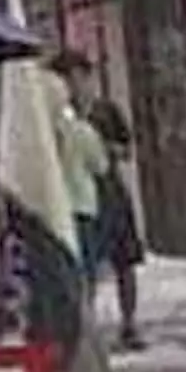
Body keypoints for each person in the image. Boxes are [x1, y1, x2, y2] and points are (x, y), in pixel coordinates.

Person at [57, 47, 148, 349]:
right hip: (80, 199)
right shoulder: (60, 118)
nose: (73, 86)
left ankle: (130, 323)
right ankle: (87, 328)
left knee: (125, 261)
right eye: (66, 80)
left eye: (77, 78)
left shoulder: (105, 111)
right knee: (87, 266)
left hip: (110, 194)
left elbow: (127, 149)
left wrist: (105, 148)